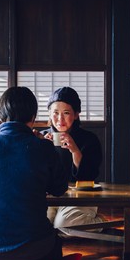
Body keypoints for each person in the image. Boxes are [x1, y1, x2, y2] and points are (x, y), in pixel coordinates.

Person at [0, 86, 69, 260]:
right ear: (33, 117)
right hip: (36, 251)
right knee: (55, 244)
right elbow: (59, 188)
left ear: (0, 114)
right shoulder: (42, 148)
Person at [43, 86, 104, 233]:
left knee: (63, 224)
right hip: (52, 196)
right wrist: (38, 147)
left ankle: (99, 222)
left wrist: (75, 150)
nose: (60, 119)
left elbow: (89, 177)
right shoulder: (42, 137)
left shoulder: (89, 139)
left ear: (76, 115)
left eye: (66, 113)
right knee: (43, 223)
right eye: (55, 113)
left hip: (81, 196)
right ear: (49, 115)